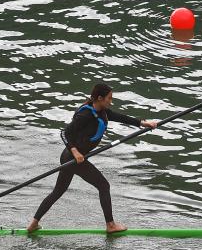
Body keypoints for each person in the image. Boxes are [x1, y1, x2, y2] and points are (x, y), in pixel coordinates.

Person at [27, 82, 158, 234]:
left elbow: (120, 117)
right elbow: (64, 133)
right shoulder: (86, 115)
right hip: (73, 159)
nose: (111, 101)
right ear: (100, 98)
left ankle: (33, 224)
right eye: (109, 98)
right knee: (103, 186)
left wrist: (143, 123)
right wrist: (75, 152)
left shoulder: (102, 111)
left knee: (58, 191)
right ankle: (111, 225)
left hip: (71, 158)